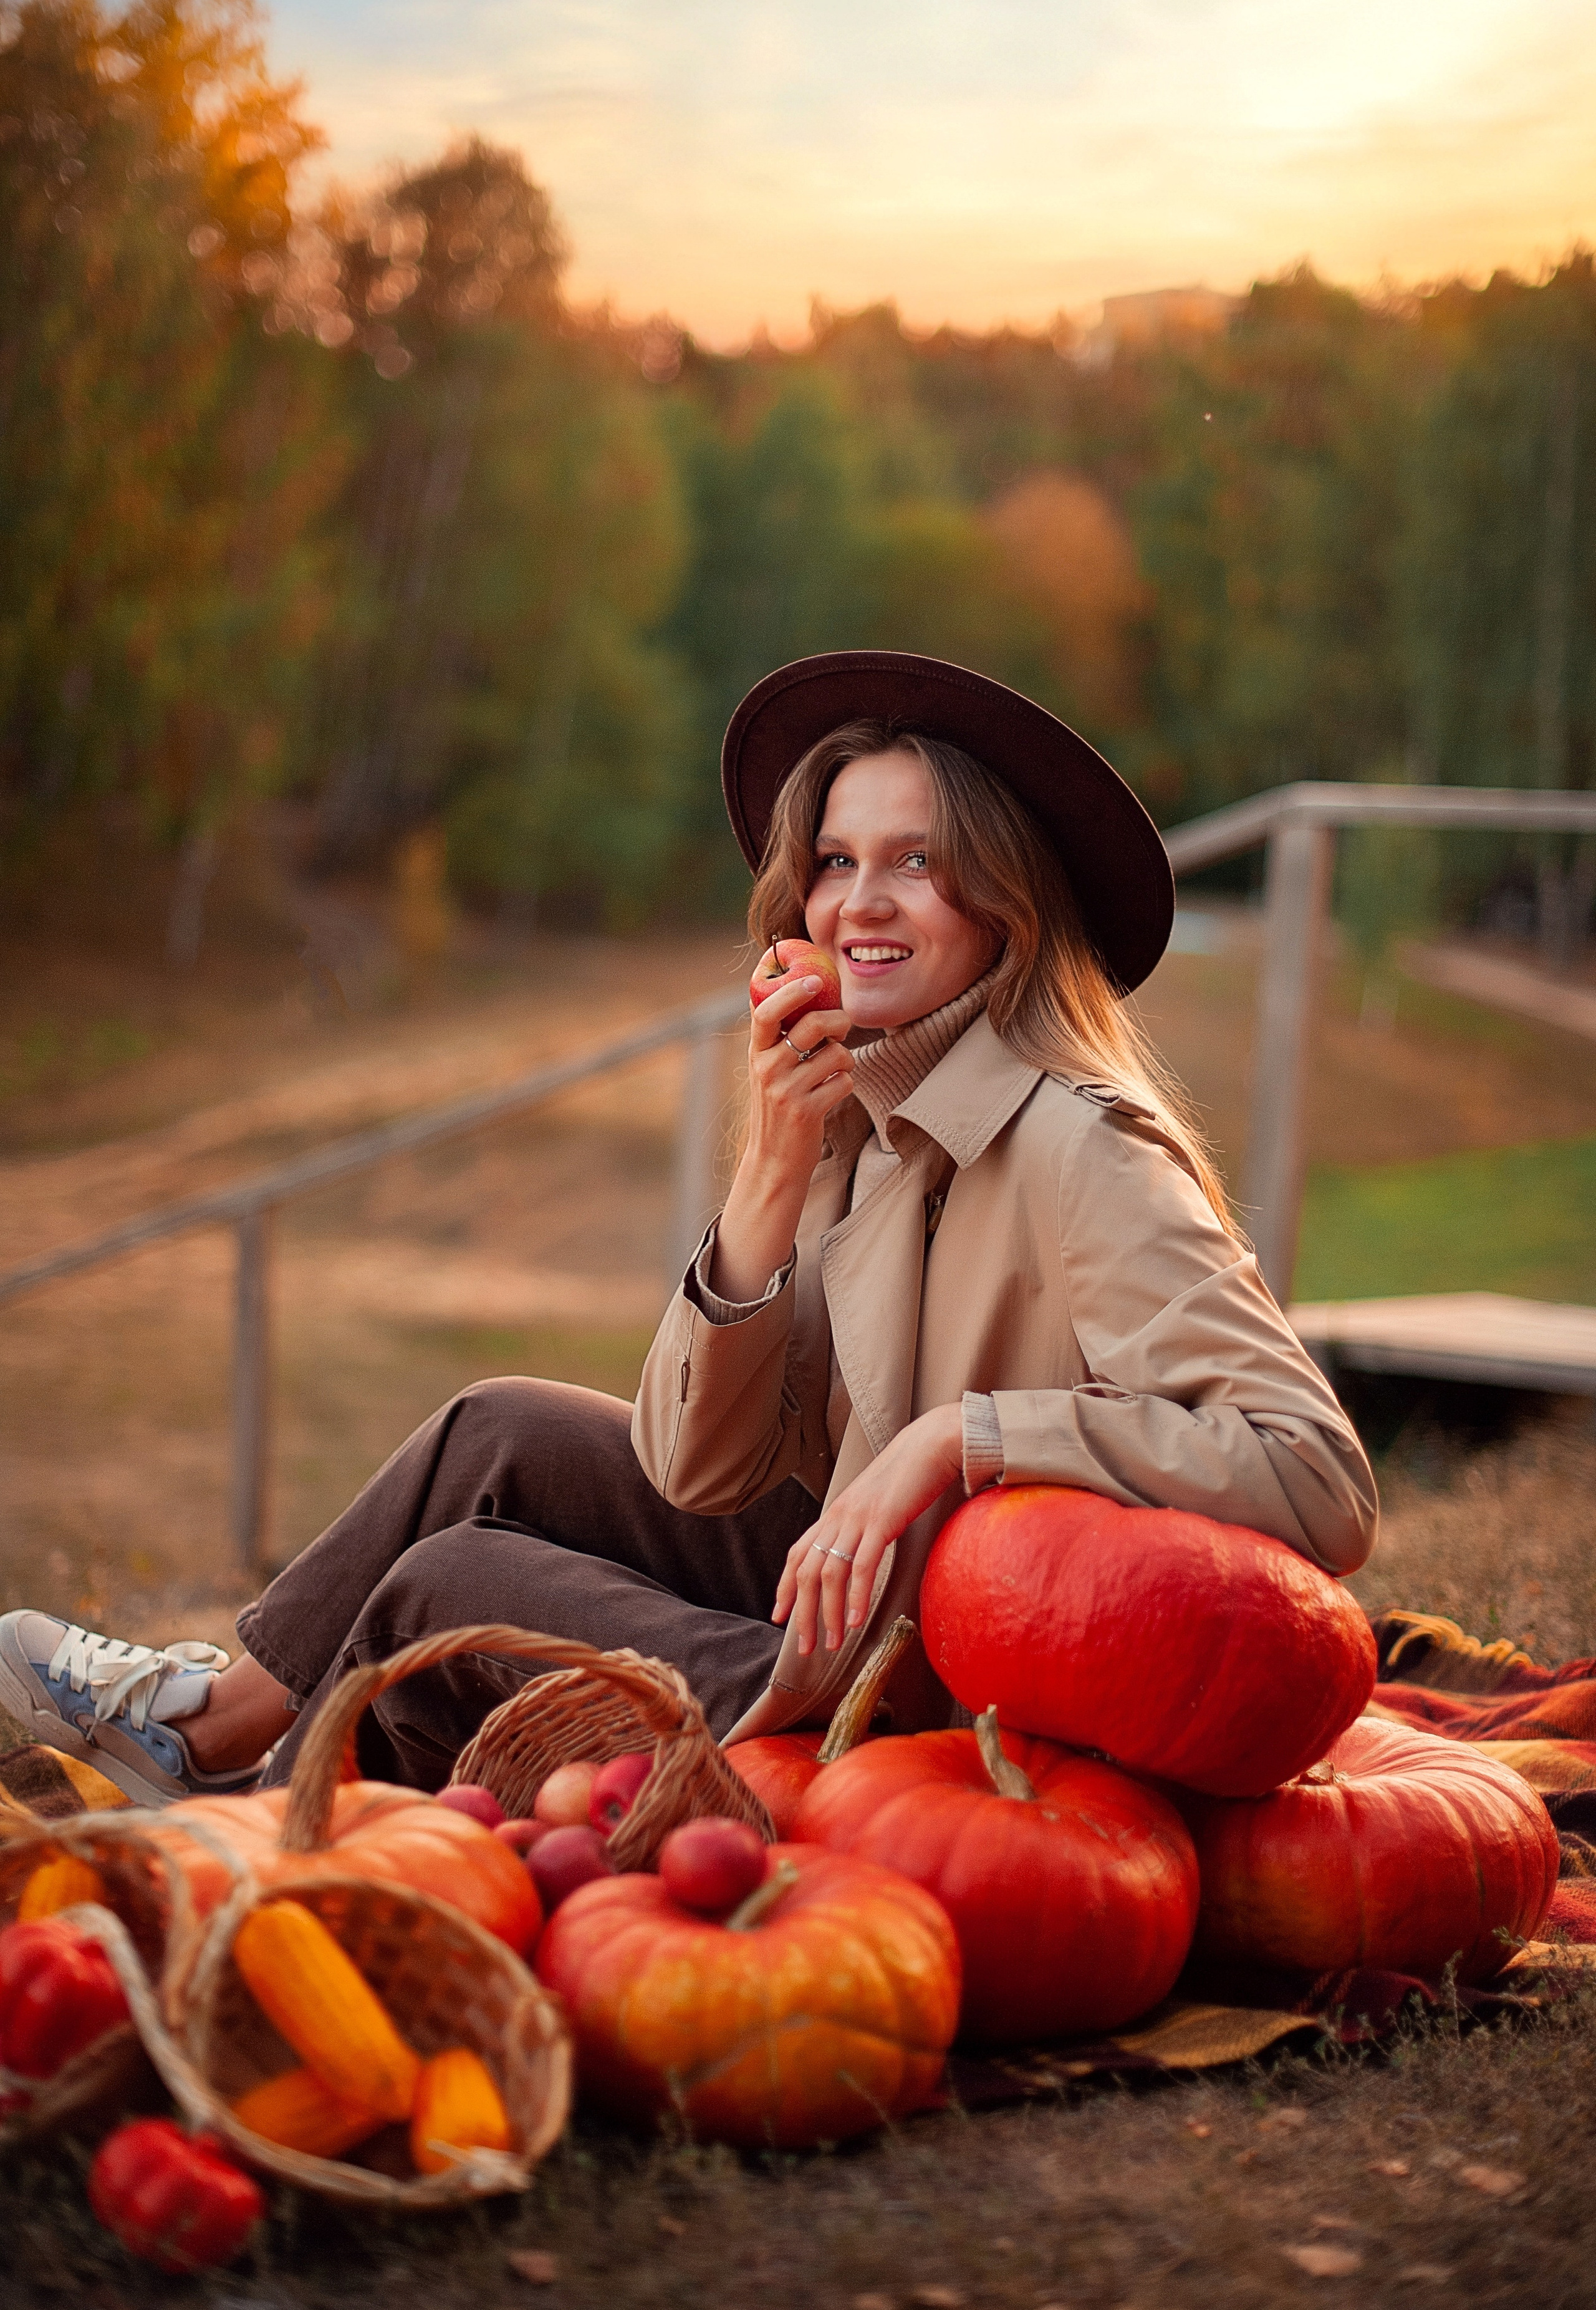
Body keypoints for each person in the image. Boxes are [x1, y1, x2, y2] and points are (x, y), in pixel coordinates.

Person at [0, 651, 1378, 1808]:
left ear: (1003, 906)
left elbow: (1317, 1477)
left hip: (923, 1704)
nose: (860, 903)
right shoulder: (860, 1123)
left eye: (916, 862)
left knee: (451, 1582)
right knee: (498, 1426)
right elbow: (699, 1467)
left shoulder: (1082, 1148)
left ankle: (256, 1840)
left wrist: (964, 1437)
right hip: (838, 1597)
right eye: (835, 862)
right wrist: (769, 1175)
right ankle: (212, 1718)